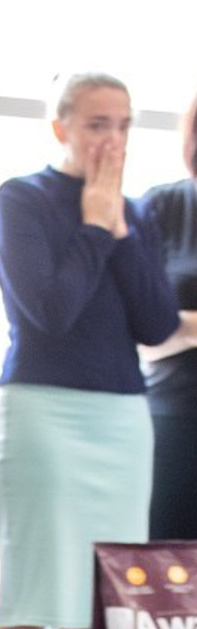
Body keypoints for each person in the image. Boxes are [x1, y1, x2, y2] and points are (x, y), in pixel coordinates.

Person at [0, 72, 179, 629]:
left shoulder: (136, 210)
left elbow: (154, 323)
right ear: (61, 127)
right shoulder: (22, 198)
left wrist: (118, 230)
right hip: (43, 415)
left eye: (123, 124)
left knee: (91, 624)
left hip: (121, 423)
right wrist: (94, 227)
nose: (112, 139)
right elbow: (51, 312)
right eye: (97, 124)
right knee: (26, 609)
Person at [140, 90, 197, 538]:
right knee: (166, 579)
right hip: (174, 419)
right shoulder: (161, 207)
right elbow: (141, 331)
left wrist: (184, 323)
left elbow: (167, 325)